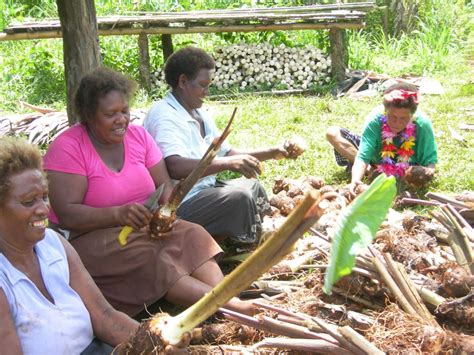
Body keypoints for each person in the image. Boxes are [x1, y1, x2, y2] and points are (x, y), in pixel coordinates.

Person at [43, 67, 254, 318]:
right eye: (110, 114)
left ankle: (225, 296)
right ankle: (228, 309)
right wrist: (118, 215)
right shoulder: (69, 147)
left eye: (124, 111)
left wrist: (166, 215)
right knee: (149, 257)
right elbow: (67, 214)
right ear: (89, 115)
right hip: (88, 239)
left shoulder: (138, 136)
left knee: (193, 234)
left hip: (143, 226)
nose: (121, 119)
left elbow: (164, 187)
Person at [0, 136, 140, 354]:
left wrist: (162, 343)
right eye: (29, 202)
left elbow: (105, 317)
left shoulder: (55, 245)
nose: (43, 209)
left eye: (44, 197)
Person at [144, 46, 296, 245]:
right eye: (202, 85)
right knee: (239, 197)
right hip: (178, 203)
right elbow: (174, 166)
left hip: (205, 189)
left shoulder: (198, 112)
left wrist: (272, 152)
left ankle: (252, 233)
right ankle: (245, 245)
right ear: (182, 81)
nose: (207, 92)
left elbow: (229, 153)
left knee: (254, 187)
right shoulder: (164, 115)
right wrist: (226, 164)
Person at [326, 83, 438, 192]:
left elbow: (430, 162)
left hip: (408, 164)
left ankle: (389, 175)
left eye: (403, 118)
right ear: (385, 111)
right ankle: (371, 169)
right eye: (392, 117)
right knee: (333, 133)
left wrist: (425, 174)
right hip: (376, 157)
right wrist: (355, 181)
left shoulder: (422, 124)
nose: (397, 123)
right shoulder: (375, 119)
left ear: (411, 115)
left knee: (414, 173)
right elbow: (363, 157)